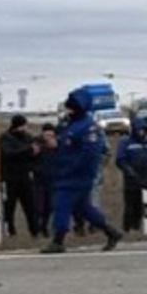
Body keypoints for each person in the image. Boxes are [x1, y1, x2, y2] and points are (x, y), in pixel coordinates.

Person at [42, 88, 123, 254]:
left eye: (71, 107)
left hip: (77, 175)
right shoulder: (69, 124)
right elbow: (65, 143)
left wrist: (73, 170)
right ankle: (111, 232)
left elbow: (91, 154)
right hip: (65, 172)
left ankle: (58, 240)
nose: (68, 110)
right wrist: (55, 144)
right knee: (83, 208)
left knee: (61, 204)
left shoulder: (89, 127)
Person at [0, 114, 40, 237]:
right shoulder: (5, 137)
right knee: (8, 207)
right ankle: (9, 232)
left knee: (31, 207)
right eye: (22, 126)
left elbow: (34, 155)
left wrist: (33, 153)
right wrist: (28, 150)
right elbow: (8, 153)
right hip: (9, 178)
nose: (24, 128)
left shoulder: (28, 138)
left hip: (25, 177)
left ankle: (35, 231)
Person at [116, 116, 147, 233]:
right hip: (131, 179)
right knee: (130, 205)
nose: (141, 132)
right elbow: (120, 160)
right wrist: (129, 171)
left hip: (145, 177)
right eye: (139, 130)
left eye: (143, 130)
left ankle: (140, 226)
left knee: (142, 204)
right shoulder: (125, 142)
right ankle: (127, 228)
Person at [33, 123, 58, 236]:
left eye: (51, 135)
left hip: (53, 178)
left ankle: (44, 226)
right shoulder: (37, 143)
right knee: (39, 205)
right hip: (39, 178)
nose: (49, 137)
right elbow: (30, 157)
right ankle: (37, 226)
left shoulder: (56, 145)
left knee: (50, 205)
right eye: (47, 134)